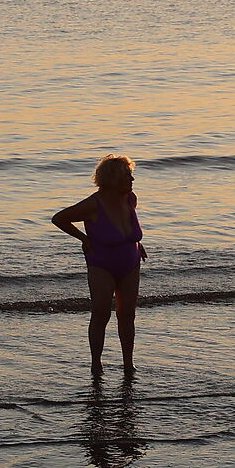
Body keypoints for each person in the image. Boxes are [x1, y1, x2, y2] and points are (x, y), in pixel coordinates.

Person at [52, 154, 144, 371]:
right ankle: (96, 364)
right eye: (128, 176)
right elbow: (59, 218)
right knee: (101, 313)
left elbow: (127, 230)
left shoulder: (130, 199)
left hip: (130, 262)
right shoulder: (93, 204)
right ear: (113, 179)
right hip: (101, 264)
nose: (132, 181)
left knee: (127, 314)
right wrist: (83, 238)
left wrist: (138, 244)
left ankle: (128, 365)